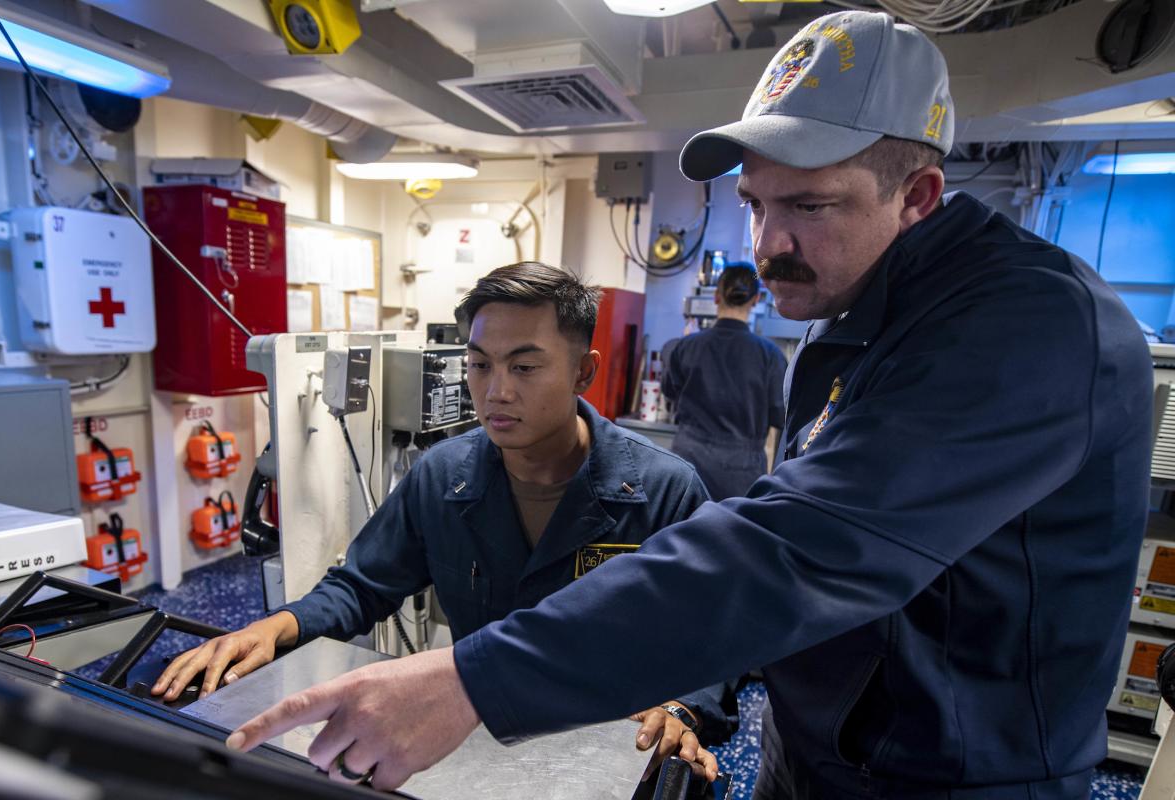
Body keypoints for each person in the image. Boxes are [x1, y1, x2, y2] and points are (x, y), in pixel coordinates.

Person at [226, 11, 1153, 799]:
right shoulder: (851, 322)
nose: (770, 243)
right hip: (826, 751)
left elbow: (790, 554)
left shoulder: (1023, 327)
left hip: (955, 777)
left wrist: (475, 678)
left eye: (810, 207)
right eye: (754, 204)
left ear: (917, 197)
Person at [154, 262, 730, 777]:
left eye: (525, 366)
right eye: (480, 365)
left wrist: (683, 709)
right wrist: (272, 629)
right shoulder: (443, 476)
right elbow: (363, 586)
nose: (496, 391)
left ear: (584, 372)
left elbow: (719, 632)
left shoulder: (662, 491)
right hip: (478, 737)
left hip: (609, 752)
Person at [662, 264, 787, 500]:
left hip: (686, 465)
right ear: (756, 299)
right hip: (740, 475)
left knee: (680, 532)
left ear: (717, 297)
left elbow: (669, 391)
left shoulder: (686, 347)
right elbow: (780, 416)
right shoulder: (770, 356)